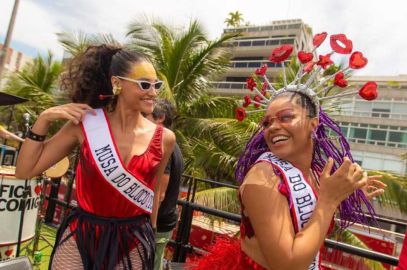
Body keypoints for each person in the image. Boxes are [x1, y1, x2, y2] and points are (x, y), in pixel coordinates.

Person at [194, 33, 385, 270]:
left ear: (314, 125)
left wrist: (341, 197)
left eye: (286, 117)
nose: (273, 126)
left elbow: (310, 230)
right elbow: (288, 265)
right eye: (267, 122)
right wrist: (329, 200)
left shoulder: (317, 174)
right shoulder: (263, 178)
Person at [16, 44, 175, 270]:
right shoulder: (86, 125)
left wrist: (150, 238)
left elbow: (154, 193)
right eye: (144, 84)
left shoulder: (165, 138)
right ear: (117, 83)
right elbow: (25, 170)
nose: (153, 92)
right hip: (82, 233)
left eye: (156, 84)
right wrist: (44, 119)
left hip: (132, 240)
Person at [143, 99, 184, 270]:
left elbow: (159, 193)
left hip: (157, 223)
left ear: (160, 118)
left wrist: (147, 224)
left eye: (145, 116)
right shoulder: (174, 145)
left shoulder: (162, 143)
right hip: (163, 221)